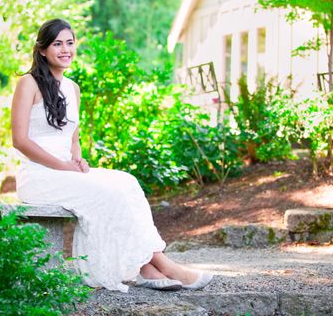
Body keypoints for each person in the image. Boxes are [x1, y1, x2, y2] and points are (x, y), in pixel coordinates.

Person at [11, 18, 213, 293]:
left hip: (67, 169)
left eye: (70, 43)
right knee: (109, 194)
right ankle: (163, 267)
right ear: (43, 49)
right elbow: (19, 140)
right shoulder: (28, 84)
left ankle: (146, 268)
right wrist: (62, 165)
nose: (65, 49)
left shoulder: (73, 88)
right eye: (57, 43)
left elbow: (73, 139)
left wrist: (77, 159)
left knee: (126, 182)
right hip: (39, 174)